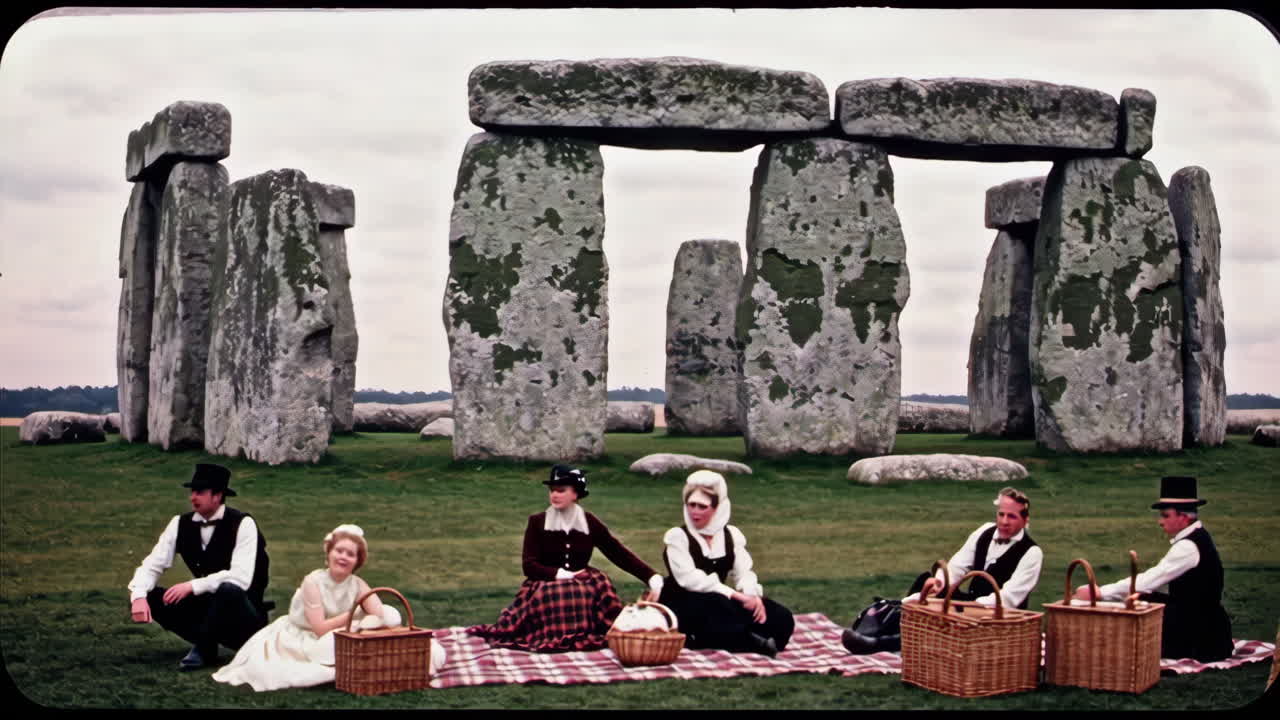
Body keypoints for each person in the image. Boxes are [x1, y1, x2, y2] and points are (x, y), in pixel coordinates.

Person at [467, 464, 664, 653]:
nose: (554, 494)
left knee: (593, 591)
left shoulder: (589, 522)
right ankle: (552, 636)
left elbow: (617, 553)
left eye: (561, 490)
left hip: (584, 580)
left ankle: (583, 632)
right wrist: (560, 574)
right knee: (557, 595)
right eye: (552, 490)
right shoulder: (537, 522)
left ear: (575, 493)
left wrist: (650, 576)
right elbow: (529, 565)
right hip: (547, 582)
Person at [213, 524, 422, 691]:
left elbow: (379, 613)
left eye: (350, 554)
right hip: (301, 638)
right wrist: (355, 615)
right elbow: (320, 628)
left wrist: (373, 619)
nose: (343, 557)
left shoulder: (358, 584)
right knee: (312, 669)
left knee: (389, 616)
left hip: (337, 633)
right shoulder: (313, 582)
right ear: (329, 553)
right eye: (339, 551)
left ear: (357, 561)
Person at [128, 463, 272, 670]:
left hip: (244, 616)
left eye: (200, 492)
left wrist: (192, 586)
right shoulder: (180, 523)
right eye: (192, 491)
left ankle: (203, 648)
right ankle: (208, 643)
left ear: (217, 495)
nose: (192, 497)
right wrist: (139, 596)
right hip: (206, 609)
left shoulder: (243, 523)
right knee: (152, 597)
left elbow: (241, 578)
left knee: (228, 589)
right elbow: (153, 564)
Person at [1074, 475, 1234, 662]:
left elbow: (1150, 579)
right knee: (1141, 598)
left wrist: (1100, 592)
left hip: (1202, 630)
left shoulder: (1188, 547)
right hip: (1198, 617)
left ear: (1183, 517)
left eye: (1166, 515)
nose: (1160, 521)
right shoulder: (1195, 538)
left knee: (1141, 602)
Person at [657, 470, 794, 657]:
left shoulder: (731, 536)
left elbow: (744, 571)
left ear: (717, 508)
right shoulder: (678, 538)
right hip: (684, 603)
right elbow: (691, 580)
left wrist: (752, 597)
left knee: (779, 615)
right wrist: (736, 596)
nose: (695, 512)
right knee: (719, 605)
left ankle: (752, 639)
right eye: (691, 505)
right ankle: (747, 641)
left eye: (702, 507)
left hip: (719, 600)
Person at [903, 486, 1043, 610]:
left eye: (1012, 516)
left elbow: (1008, 598)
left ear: (1025, 520)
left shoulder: (1032, 553)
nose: (1004, 521)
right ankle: (899, 614)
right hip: (969, 605)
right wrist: (939, 583)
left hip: (1001, 617)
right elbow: (958, 566)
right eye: (1001, 514)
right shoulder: (985, 531)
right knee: (925, 581)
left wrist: (971, 606)